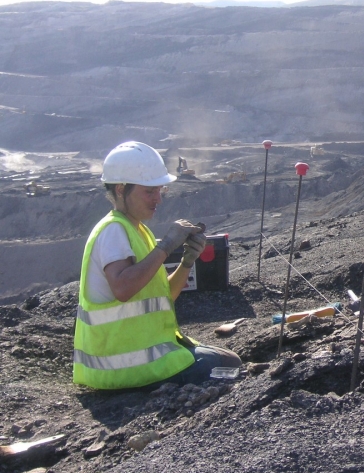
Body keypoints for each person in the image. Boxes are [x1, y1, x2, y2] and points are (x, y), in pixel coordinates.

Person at [73, 141, 241, 390]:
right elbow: (123, 288)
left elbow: (163, 297)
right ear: (121, 189)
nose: (158, 199)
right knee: (225, 369)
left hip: (138, 358)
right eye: (149, 192)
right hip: (123, 367)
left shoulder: (137, 230)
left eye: (159, 190)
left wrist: (186, 262)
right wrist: (164, 248)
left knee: (230, 361)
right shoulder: (113, 231)